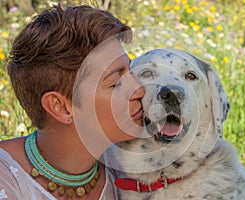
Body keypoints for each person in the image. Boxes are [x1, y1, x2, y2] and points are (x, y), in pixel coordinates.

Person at [0, 4, 145, 200]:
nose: (140, 89)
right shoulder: (6, 179)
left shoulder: (132, 171)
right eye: (116, 83)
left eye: (132, 71)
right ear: (61, 107)